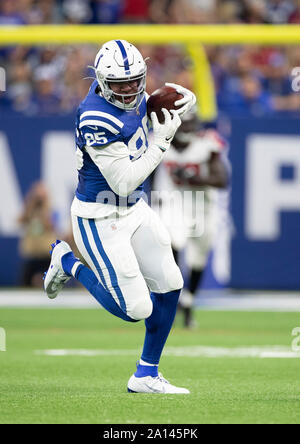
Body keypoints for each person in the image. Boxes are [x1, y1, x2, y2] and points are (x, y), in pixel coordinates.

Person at [44, 39, 195, 394]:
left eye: (134, 81)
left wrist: (182, 100)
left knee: (171, 283)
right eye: (119, 84)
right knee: (135, 309)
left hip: (134, 209)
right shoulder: (95, 115)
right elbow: (124, 180)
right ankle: (68, 262)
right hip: (99, 216)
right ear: (101, 81)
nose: (129, 90)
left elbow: (176, 100)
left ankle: (145, 375)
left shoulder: (138, 94)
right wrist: (160, 142)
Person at [152, 111, 229, 328]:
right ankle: (174, 293)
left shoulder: (206, 145)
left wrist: (197, 178)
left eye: (190, 125)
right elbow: (148, 174)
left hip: (202, 206)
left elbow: (222, 179)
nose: (187, 130)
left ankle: (188, 302)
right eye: (183, 125)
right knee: (171, 240)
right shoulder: (160, 143)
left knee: (198, 259)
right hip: (174, 202)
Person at [19, 181, 58, 287]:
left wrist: (44, 209)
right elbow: (21, 220)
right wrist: (31, 205)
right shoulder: (30, 210)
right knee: (26, 281)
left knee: (51, 282)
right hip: (33, 253)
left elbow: (51, 225)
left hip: (46, 253)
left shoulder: (50, 209)